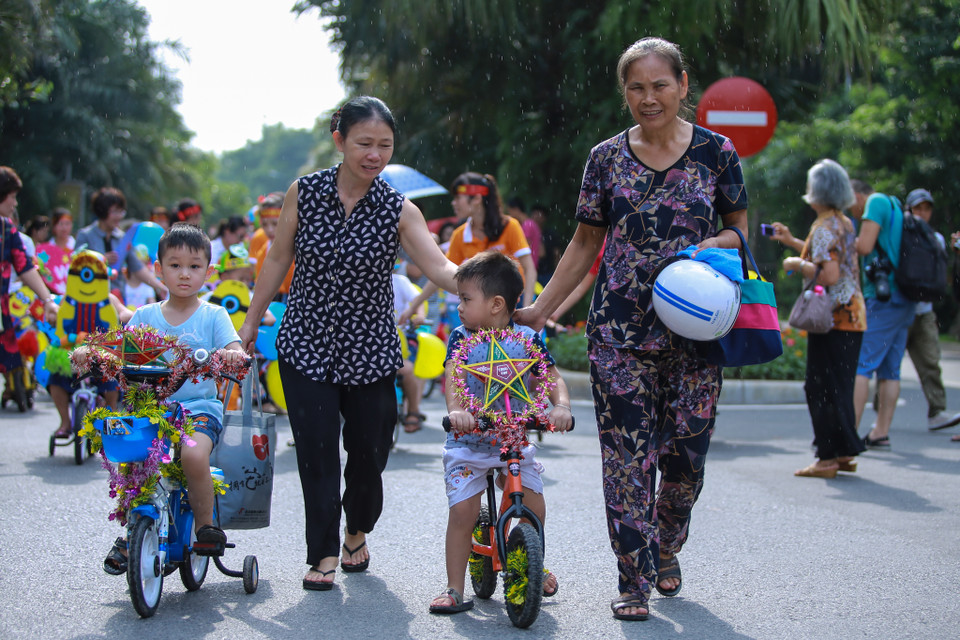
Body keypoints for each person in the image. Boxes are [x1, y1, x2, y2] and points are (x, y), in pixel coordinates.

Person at [514, 37, 748, 621]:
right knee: (626, 458)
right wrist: (541, 309)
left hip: (697, 334)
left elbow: (743, 232)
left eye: (659, 85)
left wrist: (718, 241)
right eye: (636, 88)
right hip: (619, 331)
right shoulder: (606, 159)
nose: (649, 98)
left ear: (683, 85)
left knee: (686, 458)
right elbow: (585, 243)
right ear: (625, 93)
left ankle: (667, 540)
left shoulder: (717, 153)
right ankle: (634, 577)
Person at [236, 96, 459, 591]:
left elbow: (438, 266)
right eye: (364, 143)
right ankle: (323, 554)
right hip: (306, 343)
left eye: (385, 145)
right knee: (316, 453)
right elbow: (277, 259)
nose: (375, 154)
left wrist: (483, 282)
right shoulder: (305, 192)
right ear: (340, 140)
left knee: (369, 452)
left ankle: (356, 528)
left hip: (371, 349)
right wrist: (251, 322)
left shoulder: (400, 209)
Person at [77, 223, 247, 574]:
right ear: (158, 270)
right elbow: (116, 349)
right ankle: (132, 532)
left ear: (208, 272)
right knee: (133, 459)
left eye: (194, 266)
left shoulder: (213, 315)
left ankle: (204, 527)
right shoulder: (144, 316)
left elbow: (232, 346)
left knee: (194, 454)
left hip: (198, 409)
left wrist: (233, 354)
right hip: (150, 408)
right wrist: (89, 351)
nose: (184, 274)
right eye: (175, 265)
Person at [427, 251, 572, 614]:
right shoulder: (461, 337)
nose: (458, 306)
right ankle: (454, 588)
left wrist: (561, 407)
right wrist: (457, 411)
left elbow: (550, 378)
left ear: (496, 304)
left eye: (465, 299)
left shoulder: (525, 339)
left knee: (534, 504)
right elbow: (453, 379)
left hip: (511, 440)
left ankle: (530, 560)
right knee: (463, 512)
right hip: (469, 442)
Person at [768, 159, 867, 478]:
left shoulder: (824, 227)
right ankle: (843, 453)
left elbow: (828, 273)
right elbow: (830, 257)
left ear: (818, 191)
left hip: (832, 317)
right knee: (839, 385)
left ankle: (826, 457)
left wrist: (796, 264)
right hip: (852, 314)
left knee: (819, 386)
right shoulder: (843, 222)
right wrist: (794, 242)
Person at [400, 173, 537, 323]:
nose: (453, 203)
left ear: (477, 199)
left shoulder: (510, 226)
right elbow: (440, 273)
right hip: (483, 310)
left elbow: (529, 269)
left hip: (515, 303)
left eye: (458, 198)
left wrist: (527, 307)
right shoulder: (459, 235)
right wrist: (413, 308)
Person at [850, 180, 915, 449]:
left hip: (883, 296)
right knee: (890, 369)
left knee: (862, 366)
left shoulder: (875, 202)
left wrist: (839, 242)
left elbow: (864, 247)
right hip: (904, 296)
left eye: (849, 203)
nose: (851, 211)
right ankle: (880, 431)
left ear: (856, 195)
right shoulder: (895, 204)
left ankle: (849, 434)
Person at [899, 189, 960, 432]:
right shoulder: (900, 235)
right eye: (917, 208)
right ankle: (880, 412)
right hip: (900, 309)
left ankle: (937, 411)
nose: (922, 213)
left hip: (924, 311)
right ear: (909, 210)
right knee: (887, 365)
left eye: (926, 208)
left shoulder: (936, 239)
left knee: (931, 363)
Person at [0, 167, 60, 405]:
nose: (15, 203)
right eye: (12, 196)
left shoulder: (7, 230)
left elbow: (25, 267)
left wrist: (48, 301)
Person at [75, 187, 166, 302]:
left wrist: (159, 287)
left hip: (117, 298)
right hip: (89, 297)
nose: (119, 216)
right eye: (115, 212)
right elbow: (76, 267)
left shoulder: (122, 238)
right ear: (102, 211)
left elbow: (137, 267)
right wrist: (100, 260)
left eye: (121, 211)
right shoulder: (85, 235)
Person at [250, 193, 294, 302]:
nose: (269, 229)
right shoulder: (263, 253)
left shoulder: (301, 249)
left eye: (275, 224)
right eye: (264, 224)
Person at [37, 207, 75, 294]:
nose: (64, 228)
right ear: (53, 226)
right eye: (60, 224)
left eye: (67, 223)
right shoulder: (44, 250)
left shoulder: (78, 248)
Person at [507, 196, 542, 269]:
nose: (510, 215)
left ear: (516, 209)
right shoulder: (531, 223)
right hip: (532, 266)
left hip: (527, 267)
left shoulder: (527, 225)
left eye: (510, 211)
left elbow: (523, 247)